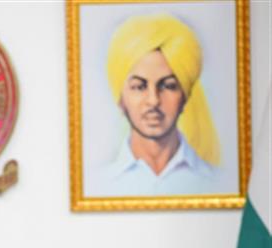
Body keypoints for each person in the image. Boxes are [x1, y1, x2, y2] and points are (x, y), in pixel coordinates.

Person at [89, 13, 221, 197]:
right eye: (139, 87)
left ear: (185, 96)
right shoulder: (98, 185)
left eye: (168, 86)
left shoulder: (217, 182)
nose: (153, 100)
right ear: (121, 99)